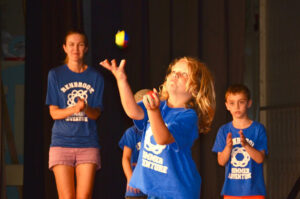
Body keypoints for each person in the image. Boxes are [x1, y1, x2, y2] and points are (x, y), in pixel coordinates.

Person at [100, 57, 216, 199]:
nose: (176, 74)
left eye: (184, 74)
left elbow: (162, 138)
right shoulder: (159, 105)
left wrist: (153, 111)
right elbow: (133, 111)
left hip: (179, 191)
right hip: (156, 189)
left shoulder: (188, 116)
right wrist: (121, 80)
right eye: (174, 71)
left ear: (195, 89)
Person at [46, 29, 104, 199]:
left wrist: (85, 108)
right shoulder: (55, 75)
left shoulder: (95, 77)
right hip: (61, 143)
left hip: (87, 143)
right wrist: (74, 108)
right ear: (65, 47)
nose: (75, 49)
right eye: (71, 44)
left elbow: (96, 114)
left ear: (85, 48)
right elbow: (53, 114)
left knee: (84, 196)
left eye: (80, 45)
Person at [212, 84, 268, 199]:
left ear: (249, 103)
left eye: (241, 102)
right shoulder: (224, 130)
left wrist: (246, 145)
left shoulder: (258, 129)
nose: (236, 107)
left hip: (254, 191)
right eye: (232, 103)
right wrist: (228, 147)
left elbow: (260, 159)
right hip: (231, 191)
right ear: (227, 106)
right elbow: (221, 161)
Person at [119, 89, 150, 199]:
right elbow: (126, 158)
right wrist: (131, 179)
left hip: (153, 185)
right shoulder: (131, 133)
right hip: (136, 188)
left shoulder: (158, 131)